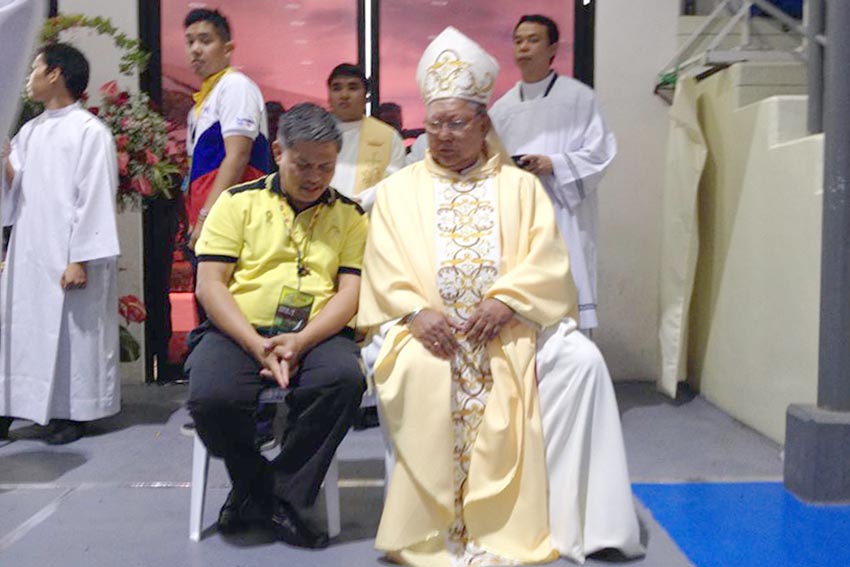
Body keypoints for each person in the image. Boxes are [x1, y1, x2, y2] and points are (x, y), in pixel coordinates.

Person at [358, 27, 643, 566]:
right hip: (428, 333)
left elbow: (548, 261)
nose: (442, 135)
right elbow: (383, 266)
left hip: (507, 331)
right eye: (435, 123)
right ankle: (435, 526)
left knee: (582, 361)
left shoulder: (519, 186)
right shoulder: (398, 191)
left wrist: (509, 300)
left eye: (457, 123)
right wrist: (417, 313)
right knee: (416, 369)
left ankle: (580, 523)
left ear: (483, 123)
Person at [185, 103, 367, 549]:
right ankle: (262, 489)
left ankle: (272, 495)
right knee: (212, 398)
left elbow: (349, 294)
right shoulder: (237, 202)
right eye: (303, 164)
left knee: (343, 382)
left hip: (318, 333)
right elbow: (210, 286)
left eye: (326, 167)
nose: (315, 177)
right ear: (280, 151)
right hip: (237, 328)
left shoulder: (350, 215)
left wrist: (302, 341)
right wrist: (255, 344)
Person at [0, 43, 120, 445]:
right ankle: (22, 406)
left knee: (74, 332)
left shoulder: (90, 132)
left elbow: (95, 197)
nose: (29, 76)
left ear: (55, 74)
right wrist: (5, 162)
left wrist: (81, 258)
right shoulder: (30, 131)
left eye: (35, 67)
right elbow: (19, 192)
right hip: (31, 247)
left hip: (70, 252)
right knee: (25, 328)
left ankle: (74, 413)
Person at [489, 14, 617, 332]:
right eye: (518, 40)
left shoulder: (578, 98)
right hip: (518, 215)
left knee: (568, 297)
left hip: (564, 212)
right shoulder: (501, 109)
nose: (524, 47)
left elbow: (601, 152)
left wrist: (554, 164)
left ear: (552, 48)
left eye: (533, 40)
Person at [326, 63, 405, 210]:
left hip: (369, 221)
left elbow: (395, 183)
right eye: (337, 88)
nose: (344, 95)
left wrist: (354, 205)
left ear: (366, 97)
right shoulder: (314, 136)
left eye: (353, 87)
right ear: (329, 97)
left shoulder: (388, 137)